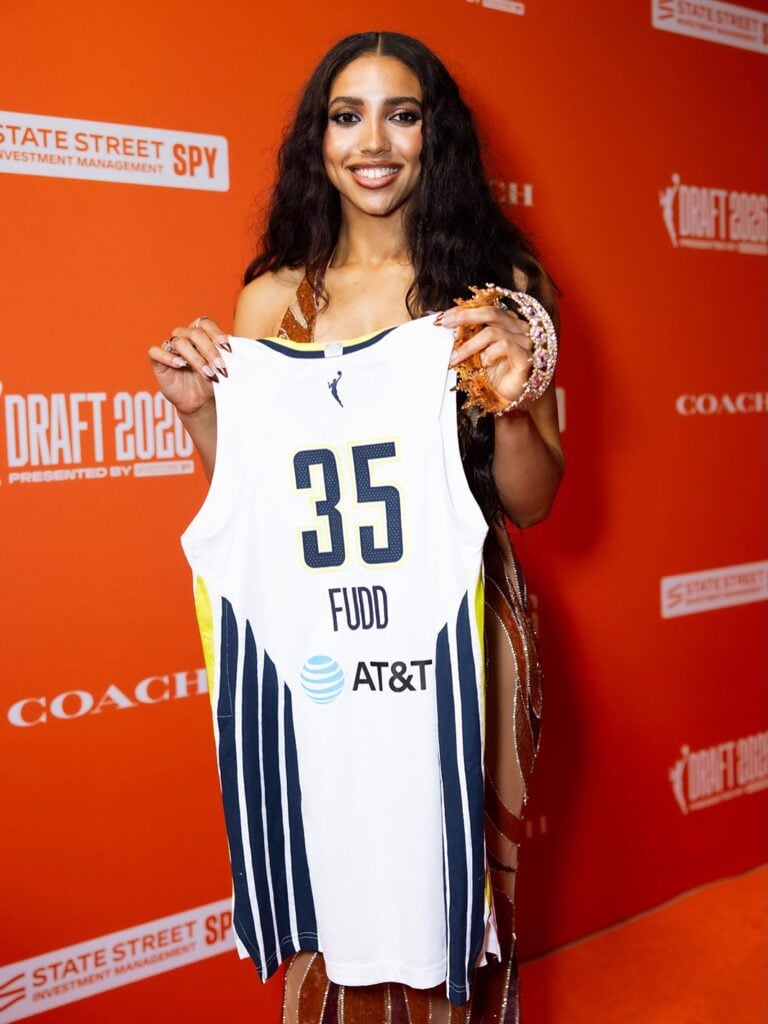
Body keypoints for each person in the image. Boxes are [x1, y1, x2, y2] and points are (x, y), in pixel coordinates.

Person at [149, 31, 563, 1023]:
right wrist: (200, 413)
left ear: (435, 134)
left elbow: (534, 499)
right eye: (347, 116)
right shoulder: (270, 297)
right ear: (318, 138)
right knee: (327, 872)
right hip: (316, 633)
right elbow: (256, 500)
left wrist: (509, 396)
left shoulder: (498, 289)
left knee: (461, 896)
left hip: (461, 629)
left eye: (401, 114)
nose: (373, 141)